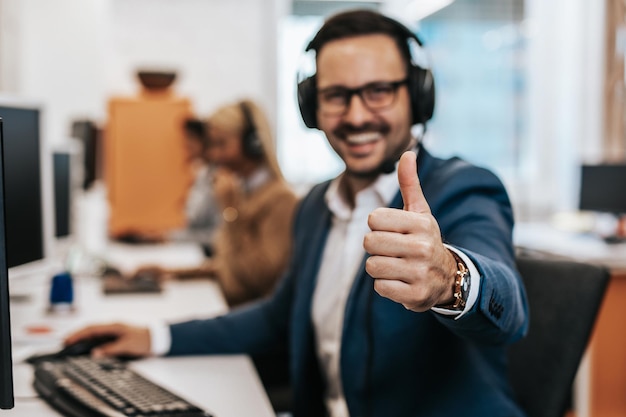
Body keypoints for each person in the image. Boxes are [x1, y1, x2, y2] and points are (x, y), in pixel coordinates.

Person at [67, 10, 529, 417]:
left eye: (379, 92)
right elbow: (276, 318)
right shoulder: (316, 206)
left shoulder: (464, 188)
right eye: (336, 96)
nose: (355, 115)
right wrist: (155, 337)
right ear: (312, 106)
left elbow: (509, 307)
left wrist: (451, 277)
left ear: (418, 96)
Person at [140, 100, 299, 307]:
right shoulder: (246, 193)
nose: (214, 155)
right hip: (230, 308)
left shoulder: (281, 201)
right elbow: (228, 266)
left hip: (250, 319)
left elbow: (258, 279)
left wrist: (231, 211)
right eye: (212, 145)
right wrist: (172, 273)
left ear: (253, 144)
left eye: (222, 144)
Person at [167, 118, 221, 249]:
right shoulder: (203, 174)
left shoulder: (219, 178)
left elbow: (216, 234)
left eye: (191, 139)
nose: (186, 145)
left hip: (211, 253)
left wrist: (169, 237)